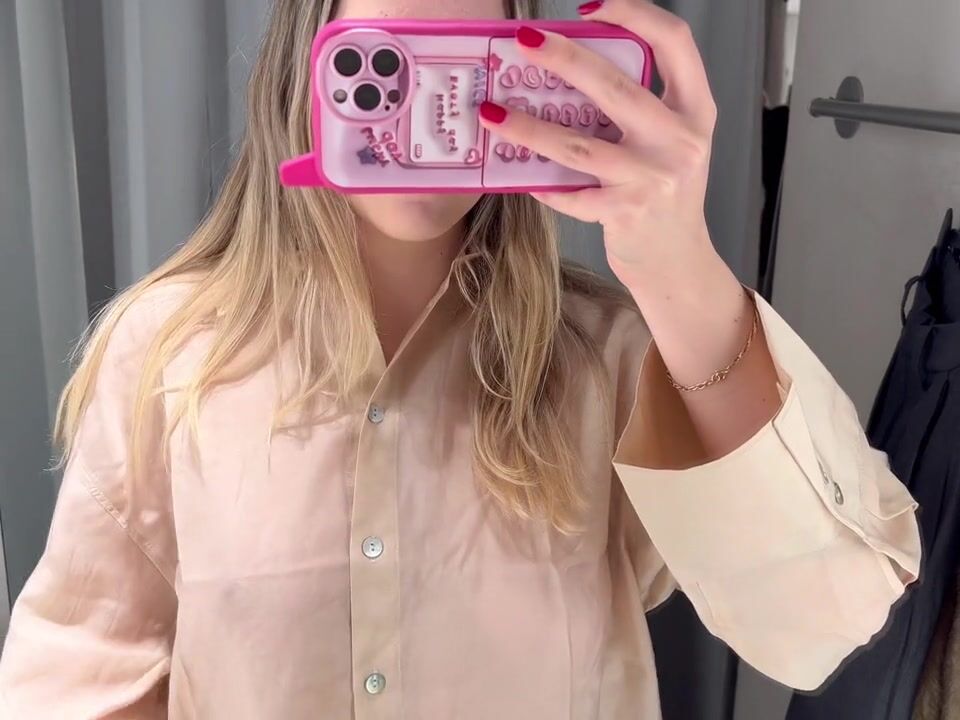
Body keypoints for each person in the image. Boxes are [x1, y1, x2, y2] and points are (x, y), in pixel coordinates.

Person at [0, 0, 922, 718]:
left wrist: (679, 266)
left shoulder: (611, 363)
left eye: (468, 65)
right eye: (394, 59)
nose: (432, 111)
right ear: (305, 67)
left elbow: (827, 621)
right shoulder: (168, 353)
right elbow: (76, 683)